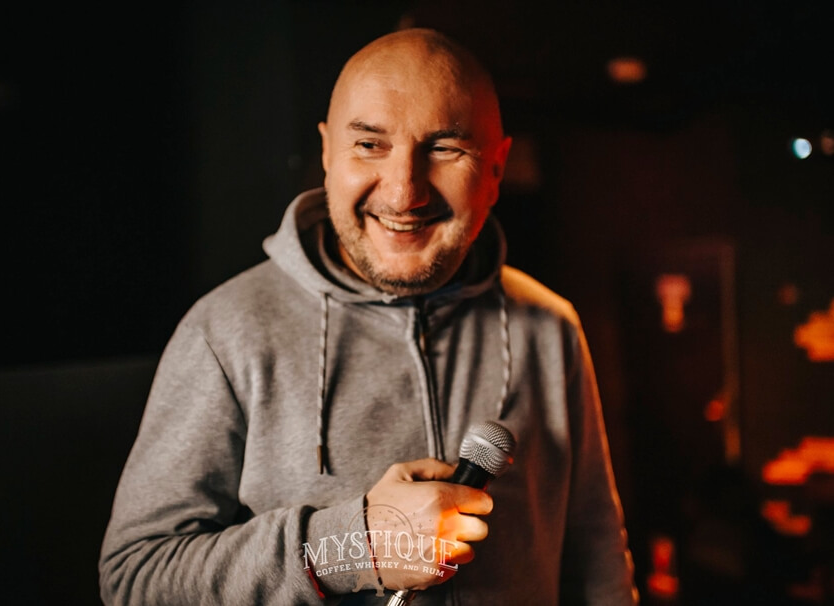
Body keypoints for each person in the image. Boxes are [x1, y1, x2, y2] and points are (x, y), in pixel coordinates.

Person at [99, 28, 638, 605]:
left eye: (444, 148)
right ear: (327, 153)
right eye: (369, 144)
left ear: (497, 168)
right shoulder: (224, 331)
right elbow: (135, 578)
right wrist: (351, 548)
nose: (404, 193)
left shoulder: (551, 326)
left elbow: (596, 555)